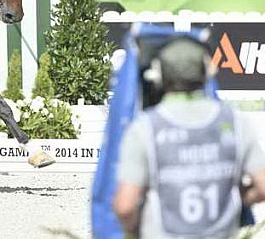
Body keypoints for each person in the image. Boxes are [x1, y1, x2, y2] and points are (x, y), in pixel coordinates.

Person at [113, 36, 265, 238]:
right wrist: (235, 198)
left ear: (158, 75)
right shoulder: (236, 122)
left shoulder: (144, 128)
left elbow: (125, 206)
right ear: (207, 71)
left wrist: (132, 231)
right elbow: (263, 186)